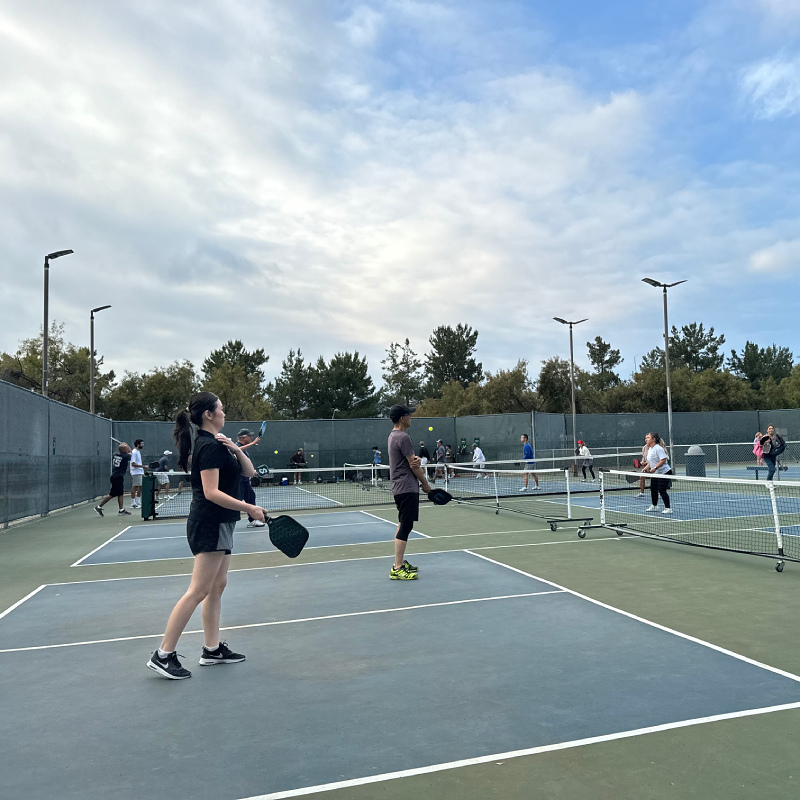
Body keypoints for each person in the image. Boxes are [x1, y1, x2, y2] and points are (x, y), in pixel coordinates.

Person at [147, 392, 264, 680]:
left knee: (217, 586)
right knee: (199, 590)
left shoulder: (219, 444)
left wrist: (236, 449)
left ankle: (211, 649)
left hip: (223, 522)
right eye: (221, 409)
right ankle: (163, 655)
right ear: (209, 415)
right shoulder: (208, 446)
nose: (224, 413)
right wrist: (249, 508)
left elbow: (249, 473)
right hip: (209, 523)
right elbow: (211, 492)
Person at [387, 404, 432, 580]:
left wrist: (415, 460)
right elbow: (413, 467)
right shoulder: (404, 437)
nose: (411, 418)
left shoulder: (393, 436)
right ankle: (397, 568)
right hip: (406, 487)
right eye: (409, 415)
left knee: (403, 523)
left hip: (400, 487)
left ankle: (399, 562)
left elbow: (411, 461)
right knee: (406, 525)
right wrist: (425, 484)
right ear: (402, 418)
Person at [95, 443, 133, 516]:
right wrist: (128, 447)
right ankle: (99, 506)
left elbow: (123, 451)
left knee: (120, 494)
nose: (127, 449)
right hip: (118, 477)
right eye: (126, 449)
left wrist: (124, 447)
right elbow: (131, 453)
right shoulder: (125, 456)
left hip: (115, 476)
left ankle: (121, 510)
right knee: (112, 494)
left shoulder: (115, 454)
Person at [237, 428, 263, 528]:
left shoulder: (244, 449)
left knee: (251, 497)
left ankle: (252, 520)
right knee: (234, 502)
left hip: (244, 481)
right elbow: (237, 450)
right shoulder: (236, 446)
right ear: (243, 437)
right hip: (237, 481)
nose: (251, 437)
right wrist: (253, 443)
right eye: (249, 436)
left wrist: (252, 471)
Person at [643, 432, 672, 514]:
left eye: (648, 437)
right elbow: (651, 462)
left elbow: (663, 459)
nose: (646, 439)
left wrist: (655, 468)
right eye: (646, 438)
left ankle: (668, 508)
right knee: (653, 489)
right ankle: (654, 505)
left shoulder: (658, 448)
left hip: (665, 472)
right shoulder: (650, 449)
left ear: (653, 439)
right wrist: (645, 468)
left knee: (662, 490)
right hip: (656, 473)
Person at [129, 439, 146, 509]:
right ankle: (133, 503)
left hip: (140, 472)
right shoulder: (134, 452)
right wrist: (143, 466)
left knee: (140, 487)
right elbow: (133, 464)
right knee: (135, 487)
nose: (143, 445)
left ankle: (138, 501)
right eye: (141, 444)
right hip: (135, 472)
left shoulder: (138, 452)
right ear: (138, 444)